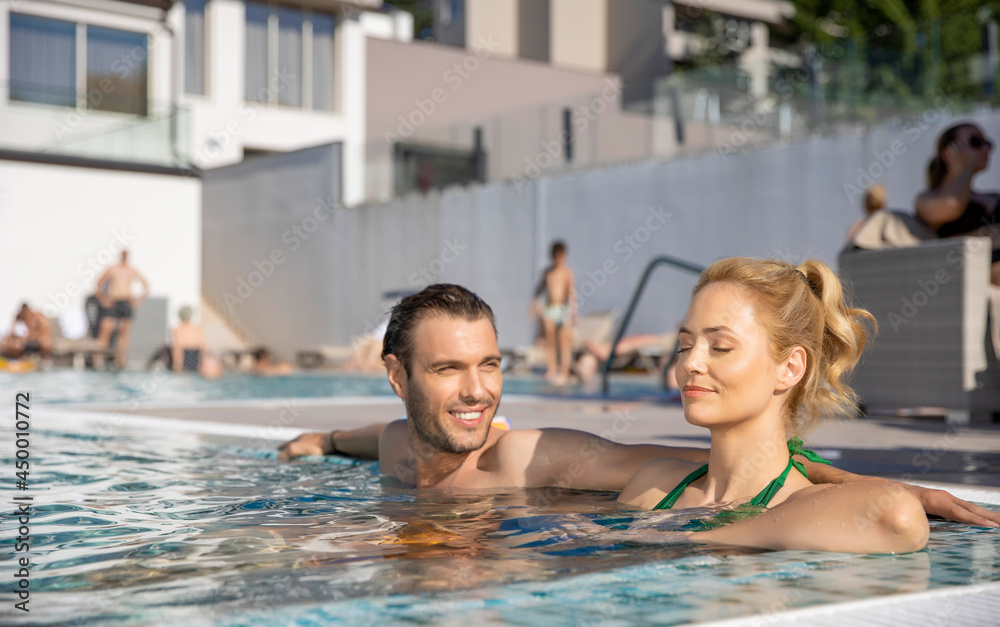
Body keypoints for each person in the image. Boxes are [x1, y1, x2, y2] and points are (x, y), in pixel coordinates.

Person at [278, 283, 999, 534]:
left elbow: (717, 465)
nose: (476, 391)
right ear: (398, 376)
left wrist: (901, 490)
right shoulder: (403, 444)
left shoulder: (526, 457)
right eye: (448, 370)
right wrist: (319, 438)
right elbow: (375, 437)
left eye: (489, 365)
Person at [616, 258, 930, 552]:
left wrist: (695, 539)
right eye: (685, 346)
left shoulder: (800, 502)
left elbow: (900, 517)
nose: (690, 363)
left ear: (790, 368)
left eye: (720, 347)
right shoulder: (655, 483)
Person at [915, 123, 1000, 285]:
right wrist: (963, 168)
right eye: (975, 142)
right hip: (981, 274)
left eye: (988, 143)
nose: (986, 149)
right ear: (948, 153)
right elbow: (952, 205)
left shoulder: (991, 195)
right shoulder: (927, 198)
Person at [531, 241, 577, 385]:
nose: (558, 260)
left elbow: (571, 293)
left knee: (563, 340)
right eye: (556, 257)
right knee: (549, 340)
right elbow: (538, 291)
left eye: (561, 257)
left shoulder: (567, 272)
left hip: (562, 309)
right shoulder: (547, 273)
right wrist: (533, 307)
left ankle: (564, 371)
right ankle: (551, 369)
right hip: (550, 308)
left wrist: (573, 312)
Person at [95, 250, 149, 368]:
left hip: (126, 302)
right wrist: (103, 298)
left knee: (124, 332)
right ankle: (98, 359)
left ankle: (120, 360)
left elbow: (146, 285)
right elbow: (98, 283)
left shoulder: (131, 270)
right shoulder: (113, 269)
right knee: (106, 330)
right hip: (113, 301)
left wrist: (139, 300)